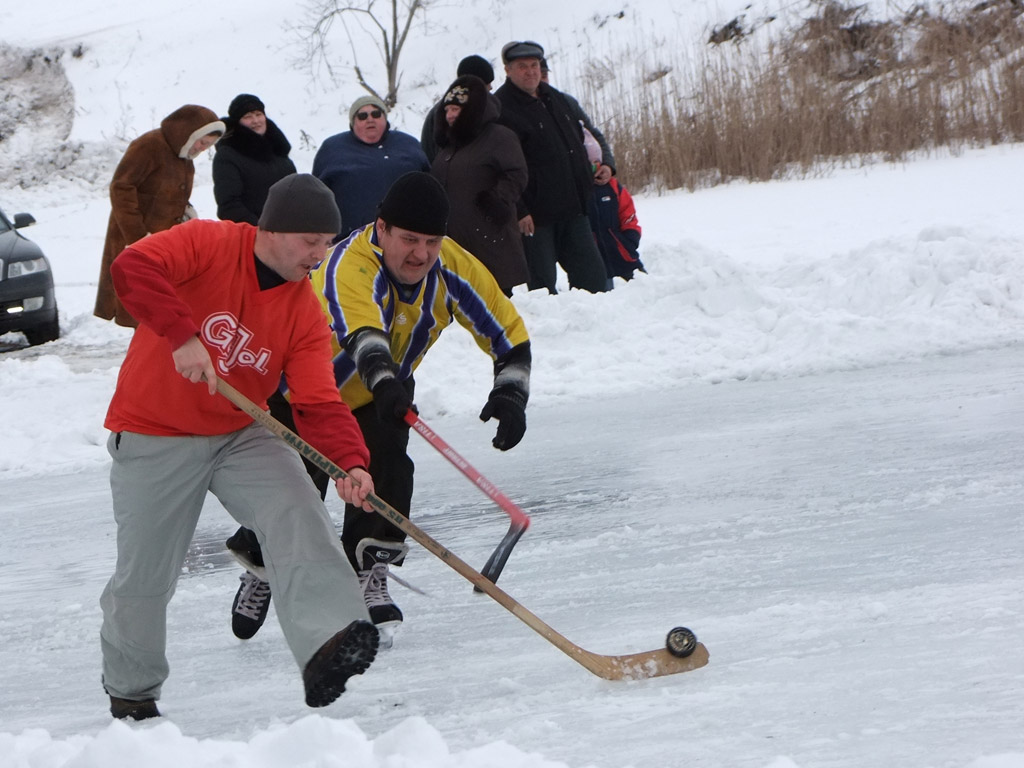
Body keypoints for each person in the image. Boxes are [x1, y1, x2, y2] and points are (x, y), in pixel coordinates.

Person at [99, 174, 381, 721]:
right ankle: (132, 690)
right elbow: (132, 267)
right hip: (153, 431)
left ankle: (328, 641)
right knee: (145, 574)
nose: (320, 257)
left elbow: (318, 402)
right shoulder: (209, 242)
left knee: (298, 508)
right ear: (271, 230)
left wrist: (350, 461)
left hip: (239, 433)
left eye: (328, 244)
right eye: (311, 242)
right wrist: (182, 335)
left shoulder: (304, 310)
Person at [226, 172, 531, 649]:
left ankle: (370, 570)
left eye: (432, 241)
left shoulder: (452, 267)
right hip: (303, 392)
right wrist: (388, 383)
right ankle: (262, 563)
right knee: (294, 491)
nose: (421, 254)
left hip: (378, 393)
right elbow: (364, 338)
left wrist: (512, 391)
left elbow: (508, 334)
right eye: (409, 239)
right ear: (381, 229)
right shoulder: (349, 263)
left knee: (388, 470)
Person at [495, 41, 610, 295]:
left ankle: (596, 331)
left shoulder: (554, 98)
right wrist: (520, 209)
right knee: (541, 291)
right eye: (522, 66)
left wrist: (605, 165)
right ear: (507, 70)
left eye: (534, 65)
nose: (530, 71)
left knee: (594, 283)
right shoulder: (500, 108)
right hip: (535, 218)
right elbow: (498, 166)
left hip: (574, 209)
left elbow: (584, 138)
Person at [95, 104, 225, 327]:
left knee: (160, 307)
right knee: (141, 305)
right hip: (137, 239)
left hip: (164, 242)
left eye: (208, 146)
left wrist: (186, 212)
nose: (202, 148)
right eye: (201, 141)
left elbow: (169, 192)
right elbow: (121, 187)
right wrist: (137, 237)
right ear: (188, 132)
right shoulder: (149, 145)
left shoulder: (184, 156)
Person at [430, 74, 529, 295]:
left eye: (456, 109)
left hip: (490, 239)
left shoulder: (499, 136)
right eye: (447, 110)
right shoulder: (449, 146)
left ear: (471, 109)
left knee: (494, 306)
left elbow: (517, 172)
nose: (450, 115)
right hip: (456, 243)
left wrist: (496, 200)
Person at [312, 95, 429, 238]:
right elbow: (316, 195)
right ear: (352, 123)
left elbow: (430, 184)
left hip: (407, 235)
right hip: (350, 239)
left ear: (385, 118)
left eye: (376, 114)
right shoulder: (332, 149)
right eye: (362, 116)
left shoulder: (408, 144)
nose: (370, 119)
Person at [212, 93, 297, 224]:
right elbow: (228, 206)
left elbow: (296, 194)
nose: (256, 121)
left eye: (259, 114)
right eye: (248, 117)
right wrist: (262, 231)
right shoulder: (228, 156)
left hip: (290, 232)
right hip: (253, 236)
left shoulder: (278, 151)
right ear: (237, 122)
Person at [540, 57, 616, 185]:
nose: (541, 80)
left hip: (583, 186)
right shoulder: (512, 107)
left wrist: (607, 165)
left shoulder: (565, 102)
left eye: (544, 75)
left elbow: (594, 134)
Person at [420, 54, 495, 164]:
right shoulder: (440, 114)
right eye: (487, 84)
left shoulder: (490, 110)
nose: (491, 88)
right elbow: (429, 155)